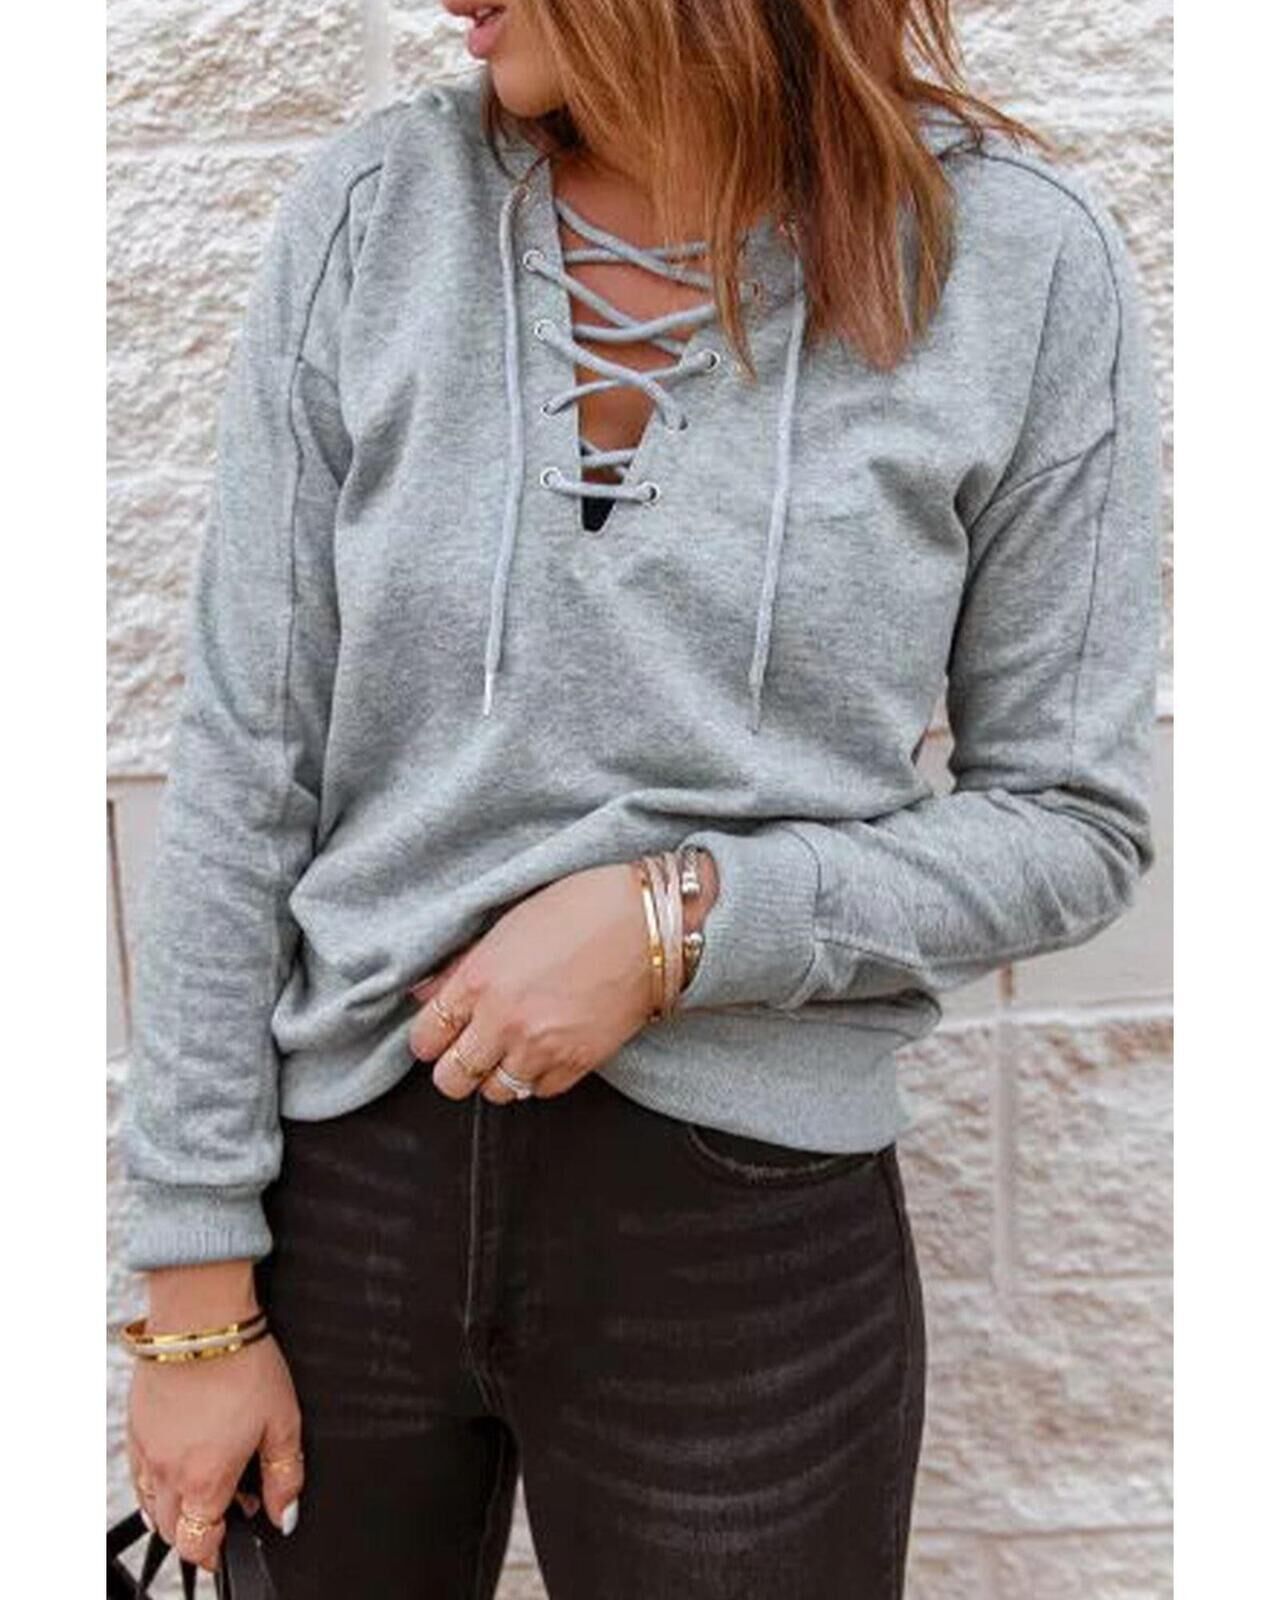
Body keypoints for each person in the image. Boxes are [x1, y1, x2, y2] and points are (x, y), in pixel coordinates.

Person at [117, 2, 1163, 1595]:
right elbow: (245, 762)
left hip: (743, 1241)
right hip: (347, 1203)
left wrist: (686, 921)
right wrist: (193, 1291)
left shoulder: (1015, 265)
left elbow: (1071, 824)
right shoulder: (380, 212)